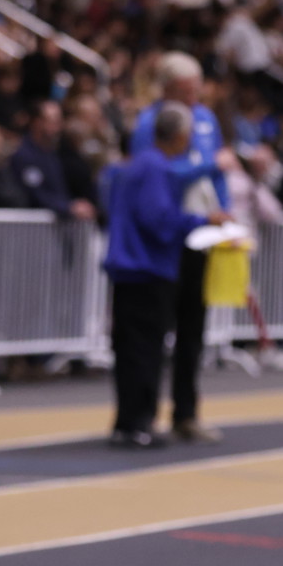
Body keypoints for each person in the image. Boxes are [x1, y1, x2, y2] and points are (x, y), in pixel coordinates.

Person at [130, 52, 228, 441]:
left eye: (196, 89)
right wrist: (208, 166)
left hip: (202, 232)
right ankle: (145, 414)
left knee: (193, 326)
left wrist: (224, 211)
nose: (194, 97)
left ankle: (186, 412)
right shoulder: (149, 123)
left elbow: (218, 176)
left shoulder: (206, 119)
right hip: (168, 234)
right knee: (157, 327)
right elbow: (159, 172)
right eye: (187, 90)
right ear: (168, 88)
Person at [105, 102, 211, 448]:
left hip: (131, 267)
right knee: (144, 350)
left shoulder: (139, 164)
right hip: (146, 268)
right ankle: (139, 423)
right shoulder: (155, 167)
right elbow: (159, 220)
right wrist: (202, 221)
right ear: (179, 135)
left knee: (131, 349)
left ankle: (128, 422)